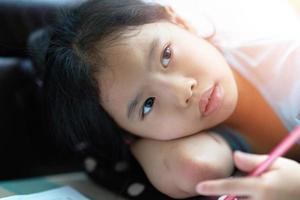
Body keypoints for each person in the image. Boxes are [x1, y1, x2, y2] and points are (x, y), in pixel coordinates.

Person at [44, 0, 300, 199]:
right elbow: (194, 166)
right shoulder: (169, 138)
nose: (182, 91)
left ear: (180, 21)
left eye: (166, 55)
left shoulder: (288, 59)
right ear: (129, 133)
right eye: (148, 104)